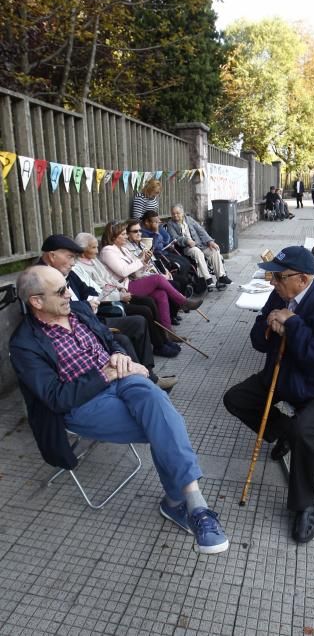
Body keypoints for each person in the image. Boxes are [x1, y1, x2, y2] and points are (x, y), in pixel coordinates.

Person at [10, 265, 229, 554]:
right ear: (36, 301)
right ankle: (184, 504)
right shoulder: (25, 344)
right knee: (165, 424)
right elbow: (55, 398)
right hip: (84, 404)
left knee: (157, 410)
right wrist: (106, 374)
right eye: (61, 290)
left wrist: (121, 356)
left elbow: (111, 339)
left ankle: (190, 504)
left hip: (123, 380)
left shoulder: (78, 310)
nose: (69, 294)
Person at [224, 246, 314, 544]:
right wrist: (270, 326)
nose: (273, 282)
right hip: (287, 376)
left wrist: (293, 325)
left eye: (279, 277)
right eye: (271, 275)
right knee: (236, 398)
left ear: (304, 279)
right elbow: (258, 341)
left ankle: (305, 503)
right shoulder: (280, 295)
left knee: (303, 429)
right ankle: (284, 433)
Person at [39, 234, 173, 370]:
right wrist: (86, 305)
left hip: (90, 316)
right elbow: (53, 309)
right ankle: (145, 377)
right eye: (69, 257)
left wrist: (91, 301)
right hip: (77, 326)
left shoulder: (64, 271)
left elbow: (89, 289)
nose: (73, 262)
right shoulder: (41, 278)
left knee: (138, 321)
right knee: (123, 340)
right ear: (52, 256)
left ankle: (148, 370)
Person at [73, 232, 182, 362]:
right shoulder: (79, 267)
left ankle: (163, 340)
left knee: (149, 302)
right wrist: (119, 295)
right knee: (144, 310)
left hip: (117, 291)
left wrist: (120, 287)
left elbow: (108, 278)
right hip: (107, 302)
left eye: (97, 247)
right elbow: (97, 290)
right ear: (83, 249)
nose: (97, 251)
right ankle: (159, 345)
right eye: (93, 248)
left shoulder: (93, 260)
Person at [99, 221, 203, 331]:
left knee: (161, 294)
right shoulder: (108, 251)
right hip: (121, 288)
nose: (126, 236)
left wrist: (144, 261)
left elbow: (136, 272)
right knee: (158, 279)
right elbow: (123, 272)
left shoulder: (123, 249)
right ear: (114, 236)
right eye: (123, 234)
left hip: (131, 282)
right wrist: (141, 260)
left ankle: (167, 332)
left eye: (126, 233)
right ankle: (183, 302)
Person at [166, 204, 232, 292]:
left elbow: (201, 230)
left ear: (182, 213)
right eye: (173, 213)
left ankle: (221, 276)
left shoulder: (189, 219)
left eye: (177, 213)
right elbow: (175, 237)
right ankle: (208, 279)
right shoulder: (170, 224)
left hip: (200, 244)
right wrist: (186, 241)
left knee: (214, 251)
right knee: (197, 252)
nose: (175, 215)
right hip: (187, 248)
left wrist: (210, 241)